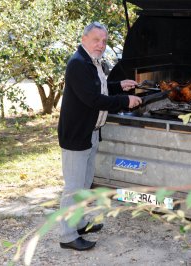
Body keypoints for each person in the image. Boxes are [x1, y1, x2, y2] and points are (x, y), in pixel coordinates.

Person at [58, 22, 142, 251]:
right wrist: (125, 101)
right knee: (74, 188)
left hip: (90, 133)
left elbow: (99, 89)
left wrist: (119, 85)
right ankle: (66, 236)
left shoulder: (93, 62)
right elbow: (93, 100)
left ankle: (80, 223)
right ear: (84, 39)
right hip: (76, 136)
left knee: (85, 184)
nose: (101, 45)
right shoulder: (78, 64)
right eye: (96, 40)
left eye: (104, 41)